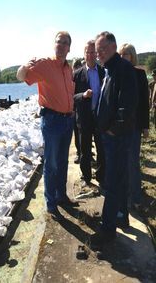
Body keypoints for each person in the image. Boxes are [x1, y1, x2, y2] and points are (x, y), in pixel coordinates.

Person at [16, 31, 77, 221]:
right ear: (55, 44)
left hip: (67, 120)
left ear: (69, 47)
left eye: (65, 42)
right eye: (59, 41)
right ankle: (51, 204)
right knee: (51, 164)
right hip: (52, 121)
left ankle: (61, 196)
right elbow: (21, 77)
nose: (61, 45)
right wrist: (24, 65)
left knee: (62, 161)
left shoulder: (69, 69)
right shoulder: (45, 64)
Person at [90, 31, 138, 250]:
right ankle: (122, 218)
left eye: (101, 49)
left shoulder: (123, 69)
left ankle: (107, 230)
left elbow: (126, 107)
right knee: (118, 180)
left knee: (112, 184)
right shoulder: (110, 69)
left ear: (113, 47)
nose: (98, 54)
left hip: (117, 138)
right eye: (97, 50)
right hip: (110, 136)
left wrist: (112, 131)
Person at [118, 43, 149, 211]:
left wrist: (145, 126)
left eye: (127, 54)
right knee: (121, 163)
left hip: (135, 126)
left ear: (133, 56)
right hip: (118, 128)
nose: (123, 57)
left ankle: (136, 198)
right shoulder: (116, 74)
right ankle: (125, 194)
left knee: (133, 162)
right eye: (121, 54)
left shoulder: (139, 74)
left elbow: (144, 102)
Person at [73, 40, 105, 187]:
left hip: (100, 118)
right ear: (84, 54)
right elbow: (71, 97)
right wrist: (83, 96)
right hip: (84, 118)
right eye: (88, 52)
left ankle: (101, 176)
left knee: (101, 149)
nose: (90, 55)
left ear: (97, 54)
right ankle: (86, 177)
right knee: (85, 151)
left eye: (93, 52)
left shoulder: (103, 72)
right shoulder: (77, 74)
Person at [72, 58, 83, 164]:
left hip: (82, 109)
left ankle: (82, 154)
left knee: (81, 134)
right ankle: (79, 153)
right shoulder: (73, 76)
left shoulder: (83, 75)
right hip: (75, 109)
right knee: (77, 133)